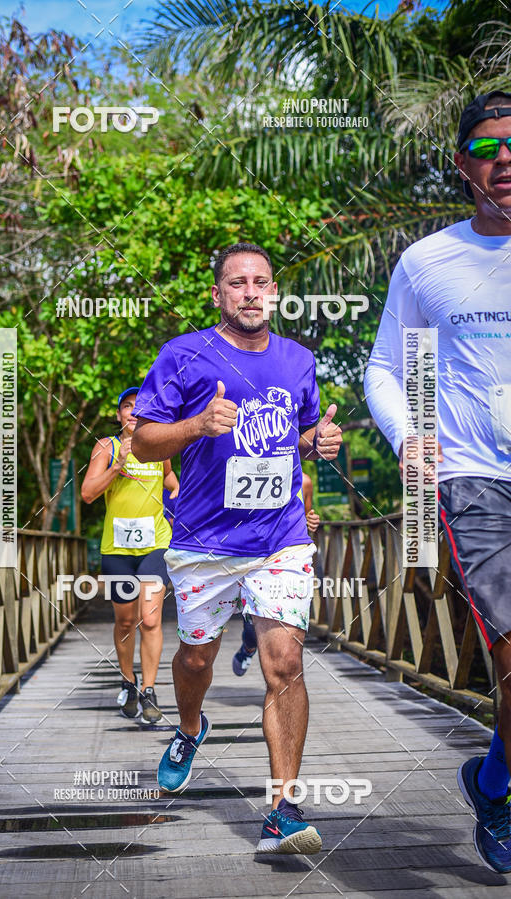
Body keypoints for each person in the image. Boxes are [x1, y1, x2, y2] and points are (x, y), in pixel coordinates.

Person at [131, 243, 342, 853]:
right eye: (237, 283)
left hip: (278, 538)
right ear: (218, 294)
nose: (251, 292)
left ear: (274, 293)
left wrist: (317, 440)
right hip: (203, 540)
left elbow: (296, 436)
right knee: (197, 657)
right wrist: (197, 425)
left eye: (262, 282)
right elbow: (143, 442)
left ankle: (283, 808)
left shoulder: (299, 360)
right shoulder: (183, 355)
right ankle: (191, 729)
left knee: (284, 664)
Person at [364, 90, 511, 873]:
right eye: (491, 148)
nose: (507, 160)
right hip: (472, 478)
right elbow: (385, 369)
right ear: (464, 165)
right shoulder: (429, 260)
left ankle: (492, 781)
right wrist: (406, 433)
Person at [81, 387, 179, 725]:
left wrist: (176, 507)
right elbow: (88, 494)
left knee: (150, 619)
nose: (134, 412)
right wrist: (117, 467)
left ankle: (149, 690)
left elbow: (170, 479)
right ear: (120, 415)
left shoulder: (157, 446)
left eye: (141, 407)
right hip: (117, 550)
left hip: (155, 544)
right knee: (125, 621)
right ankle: (128, 681)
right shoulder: (105, 447)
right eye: (127, 406)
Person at [232, 472, 321, 676]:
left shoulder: (305, 482)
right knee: (252, 630)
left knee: (287, 635)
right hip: (252, 559)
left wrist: (311, 521)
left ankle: (280, 687)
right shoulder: (249, 471)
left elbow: (305, 519)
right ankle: (248, 649)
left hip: (287, 562)